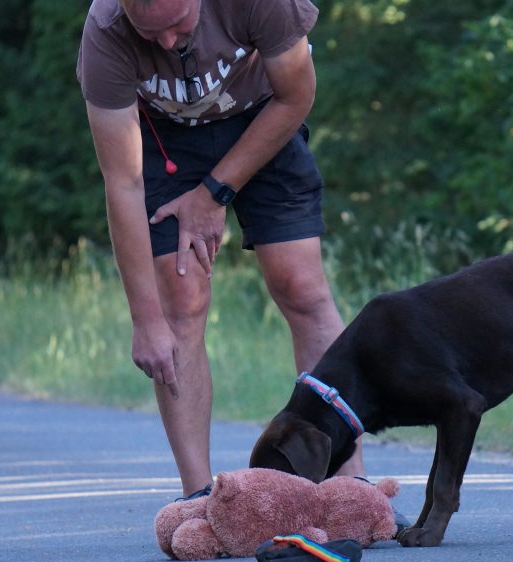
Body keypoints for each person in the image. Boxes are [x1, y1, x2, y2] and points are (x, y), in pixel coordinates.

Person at [77, 0, 366, 499]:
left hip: (262, 120)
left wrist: (214, 193)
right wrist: (145, 321)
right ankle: (197, 498)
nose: (167, 43)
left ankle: (349, 485)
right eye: (152, 34)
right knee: (179, 303)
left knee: (301, 286)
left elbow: (296, 96)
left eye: (176, 26)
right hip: (167, 143)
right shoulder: (106, 32)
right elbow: (122, 183)